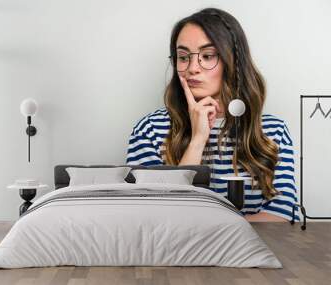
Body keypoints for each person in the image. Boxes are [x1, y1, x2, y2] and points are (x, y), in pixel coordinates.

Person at [126, 8, 298, 222]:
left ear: (233, 61)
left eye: (207, 56)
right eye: (183, 57)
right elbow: (153, 216)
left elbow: (284, 215)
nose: (192, 68)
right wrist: (197, 140)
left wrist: (208, 230)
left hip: (249, 253)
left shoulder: (273, 131)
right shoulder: (150, 129)